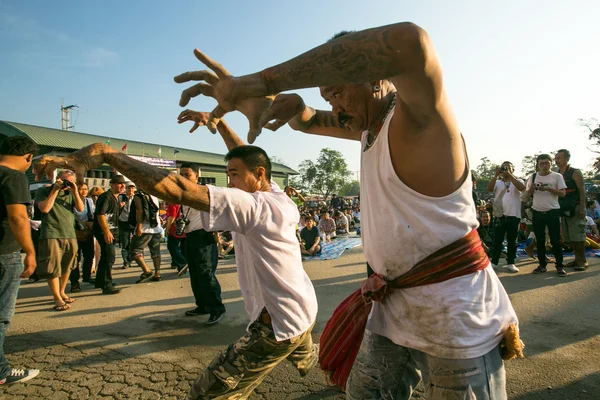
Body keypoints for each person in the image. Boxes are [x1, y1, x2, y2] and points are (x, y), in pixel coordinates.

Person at [174, 22, 519, 398]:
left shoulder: (421, 121)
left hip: (456, 317)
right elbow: (308, 121)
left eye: (337, 92)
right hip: (392, 309)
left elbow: (410, 42)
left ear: (373, 79)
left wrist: (257, 83)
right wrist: (294, 109)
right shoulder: (371, 128)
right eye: (328, 96)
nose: (334, 106)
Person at [33, 136, 319, 399]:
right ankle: (331, 371)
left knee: (206, 394)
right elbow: (254, 157)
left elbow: (177, 189)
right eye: (228, 174)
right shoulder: (279, 196)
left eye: (234, 174)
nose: (230, 182)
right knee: (305, 352)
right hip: (302, 307)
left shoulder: (253, 205)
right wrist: (219, 123)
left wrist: (107, 155)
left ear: (259, 175)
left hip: (276, 324)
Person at [0, 136, 40, 385]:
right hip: (4, 252)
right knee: (1, 313)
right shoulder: (14, 176)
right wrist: (30, 251)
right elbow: (18, 218)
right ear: (28, 157)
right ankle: (2, 372)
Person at [178, 162, 226, 323]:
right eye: (181, 174)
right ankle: (202, 305)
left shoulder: (206, 192)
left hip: (204, 236)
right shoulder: (182, 193)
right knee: (194, 273)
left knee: (206, 273)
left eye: (187, 175)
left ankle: (216, 308)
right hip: (190, 236)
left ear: (196, 176)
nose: (183, 177)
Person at [35, 169, 84, 310]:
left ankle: (62, 292)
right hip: (51, 233)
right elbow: (44, 209)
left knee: (67, 266)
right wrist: (55, 190)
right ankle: (56, 298)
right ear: (57, 179)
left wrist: (75, 191)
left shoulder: (71, 193)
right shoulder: (43, 191)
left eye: (69, 181)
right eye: (64, 180)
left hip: (69, 233)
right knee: (52, 268)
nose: (66, 184)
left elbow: (80, 209)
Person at [526, 154, 567, 276]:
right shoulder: (533, 177)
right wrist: (533, 188)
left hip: (552, 211)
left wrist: (548, 189)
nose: (544, 166)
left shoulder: (557, 176)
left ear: (551, 163)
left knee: (555, 240)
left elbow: (563, 193)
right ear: (537, 164)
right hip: (537, 211)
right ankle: (542, 264)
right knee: (540, 240)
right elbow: (527, 194)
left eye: (546, 163)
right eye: (541, 163)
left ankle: (559, 266)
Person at [486, 161, 525, 273]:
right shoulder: (498, 182)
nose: (506, 169)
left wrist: (510, 175)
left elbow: (522, 188)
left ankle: (511, 262)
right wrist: (495, 175)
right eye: (504, 167)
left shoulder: (518, 180)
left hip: (514, 214)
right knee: (497, 239)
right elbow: (489, 189)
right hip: (500, 215)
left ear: (513, 169)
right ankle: (494, 262)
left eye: (508, 167)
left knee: (512, 240)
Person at [555, 149, 588, 271]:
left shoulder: (575, 172)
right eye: (556, 158)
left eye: (559, 158)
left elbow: (582, 190)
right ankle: (576, 259)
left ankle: (582, 260)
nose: (556, 160)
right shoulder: (557, 174)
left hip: (575, 207)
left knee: (577, 236)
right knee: (568, 236)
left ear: (566, 159)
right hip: (563, 208)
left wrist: (582, 207)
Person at [92, 175, 124, 295]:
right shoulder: (106, 197)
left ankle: (100, 281)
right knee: (110, 256)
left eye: (123, 184)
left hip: (111, 230)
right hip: (103, 231)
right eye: (118, 183)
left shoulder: (116, 198)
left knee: (106, 256)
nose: (121, 186)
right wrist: (106, 231)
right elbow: (100, 215)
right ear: (112, 184)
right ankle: (106, 285)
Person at [130, 190, 163, 283]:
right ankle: (157, 274)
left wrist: (139, 227)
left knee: (135, 251)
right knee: (156, 252)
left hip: (145, 229)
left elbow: (139, 211)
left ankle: (147, 271)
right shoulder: (154, 195)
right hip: (156, 227)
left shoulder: (138, 196)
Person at [70, 182, 96, 292]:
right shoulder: (71, 200)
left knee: (89, 255)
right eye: (81, 189)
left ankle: (87, 276)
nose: (83, 191)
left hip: (87, 232)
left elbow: (93, 214)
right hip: (74, 232)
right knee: (75, 258)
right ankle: (74, 282)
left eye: (85, 189)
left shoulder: (89, 201)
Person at [164, 202, 187, 273]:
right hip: (184, 228)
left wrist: (167, 228)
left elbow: (172, 217)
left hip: (175, 229)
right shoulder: (183, 203)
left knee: (172, 246)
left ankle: (181, 262)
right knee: (183, 247)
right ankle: (178, 264)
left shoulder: (173, 203)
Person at [117, 181, 136, 269]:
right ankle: (126, 261)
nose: (130, 190)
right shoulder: (120, 197)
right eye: (129, 188)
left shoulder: (137, 198)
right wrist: (119, 207)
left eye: (132, 188)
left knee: (135, 242)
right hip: (123, 221)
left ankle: (134, 259)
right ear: (126, 189)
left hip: (134, 222)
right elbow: (114, 209)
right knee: (125, 243)